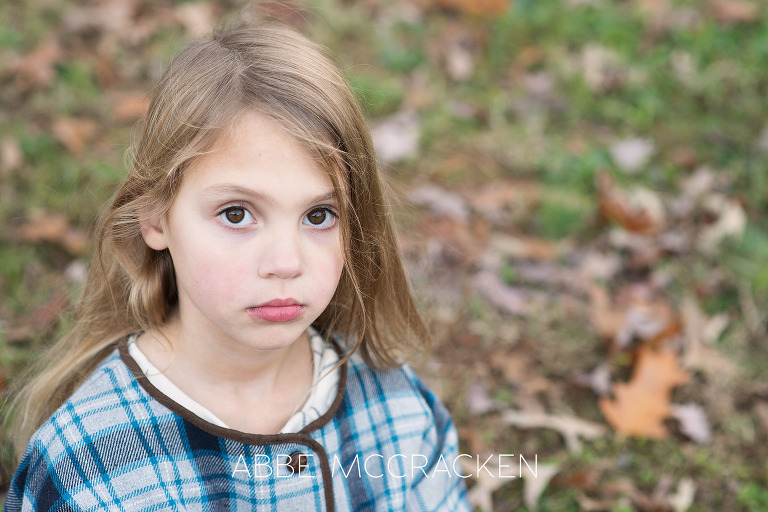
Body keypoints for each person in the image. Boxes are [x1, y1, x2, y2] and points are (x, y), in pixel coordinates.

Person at [3, 20, 472, 512]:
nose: (286, 263)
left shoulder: (399, 411)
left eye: (319, 215)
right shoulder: (89, 468)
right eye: (236, 214)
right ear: (155, 219)